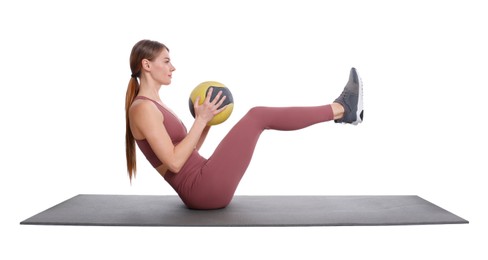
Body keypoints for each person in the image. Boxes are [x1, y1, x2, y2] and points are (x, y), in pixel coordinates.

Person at [125, 39, 363, 210]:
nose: (172, 67)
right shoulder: (143, 108)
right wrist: (200, 120)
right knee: (258, 116)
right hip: (202, 190)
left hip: (203, 181)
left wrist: (207, 122)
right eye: (166, 61)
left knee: (257, 116)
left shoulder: (155, 104)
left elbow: (188, 151)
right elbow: (175, 163)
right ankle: (342, 109)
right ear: (147, 65)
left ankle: (342, 110)